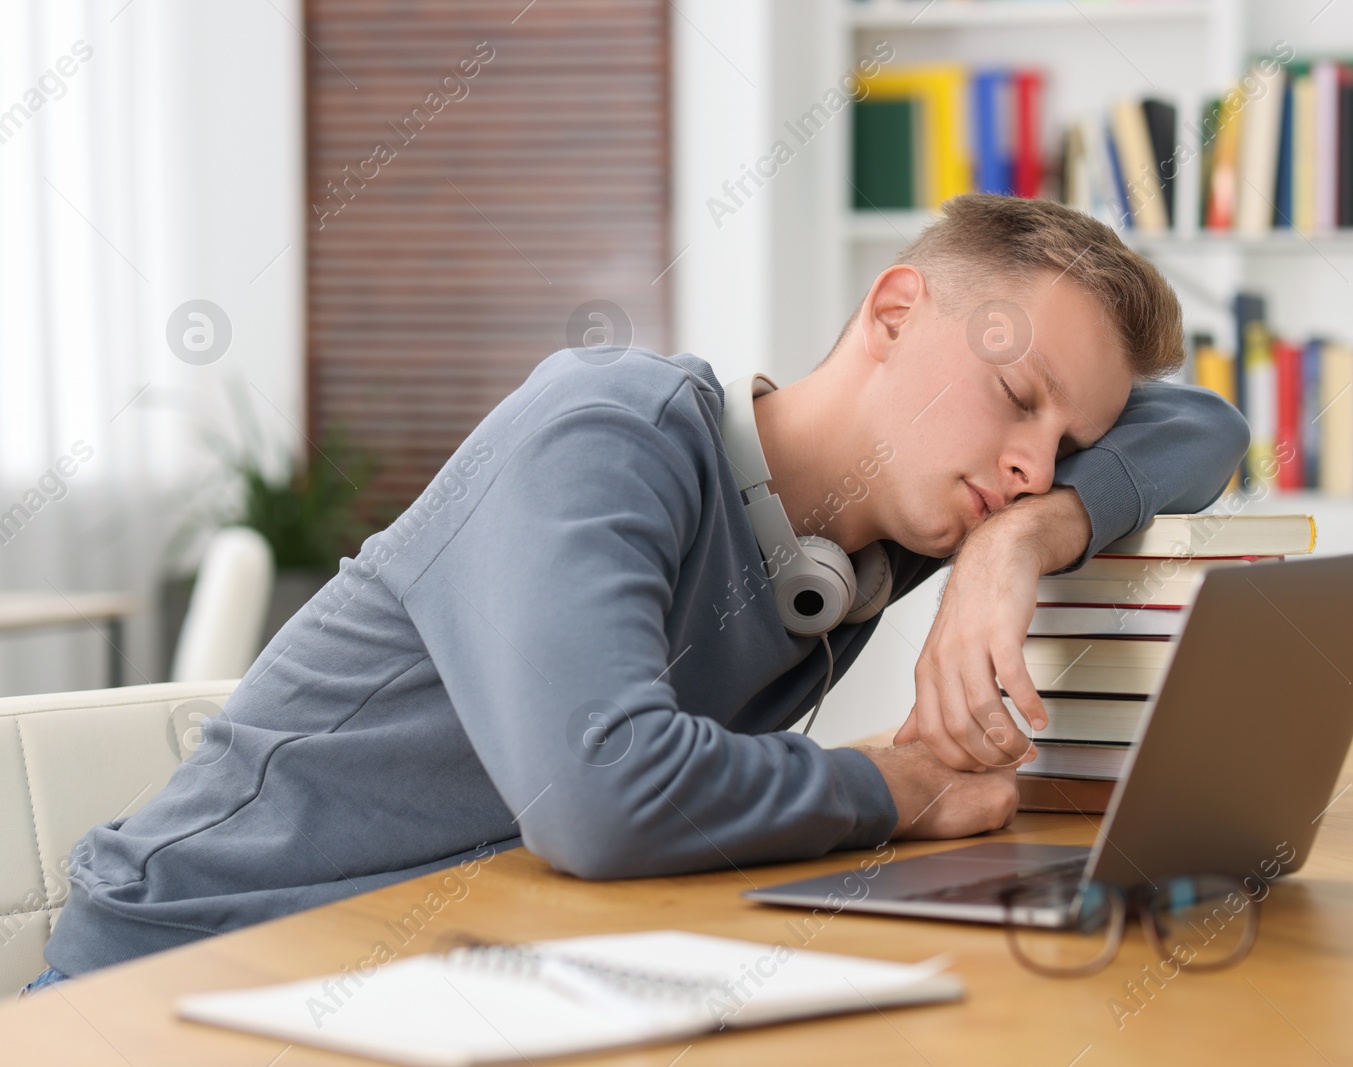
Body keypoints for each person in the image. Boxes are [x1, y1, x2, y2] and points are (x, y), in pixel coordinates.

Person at [33, 194, 1247, 989]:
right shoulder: (606, 428)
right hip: (181, 978)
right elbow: (601, 796)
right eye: (1018, 394)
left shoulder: (904, 526)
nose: (1038, 456)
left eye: (1067, 437)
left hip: (427, 970)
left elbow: (1202, 423)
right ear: (892, 312)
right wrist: (899, 786)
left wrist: (1017, 544)